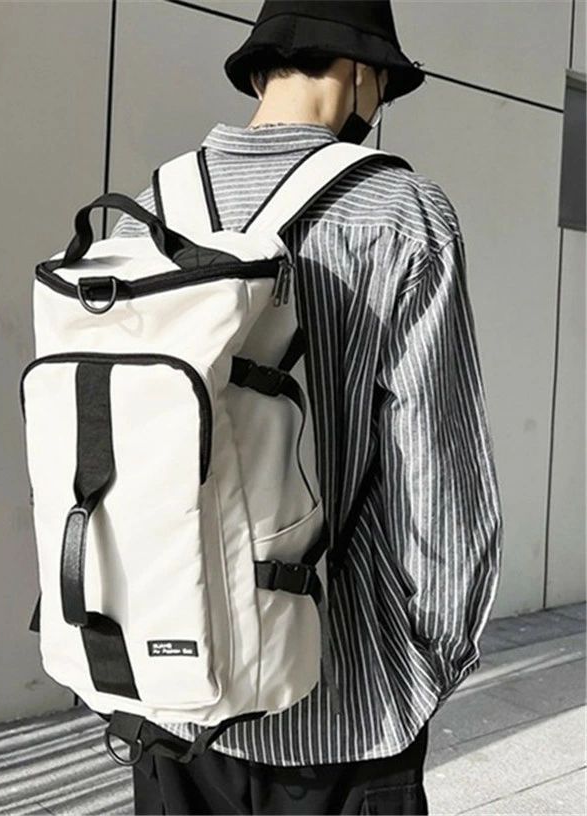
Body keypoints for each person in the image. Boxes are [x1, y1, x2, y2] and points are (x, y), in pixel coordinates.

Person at [110, 2, 504, 813]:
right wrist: (429, 662)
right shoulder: (402, 214)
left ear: (262, 70)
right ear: (361, 72)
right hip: (342, 707)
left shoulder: (154, 206)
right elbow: (440, 479)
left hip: (172, 694)